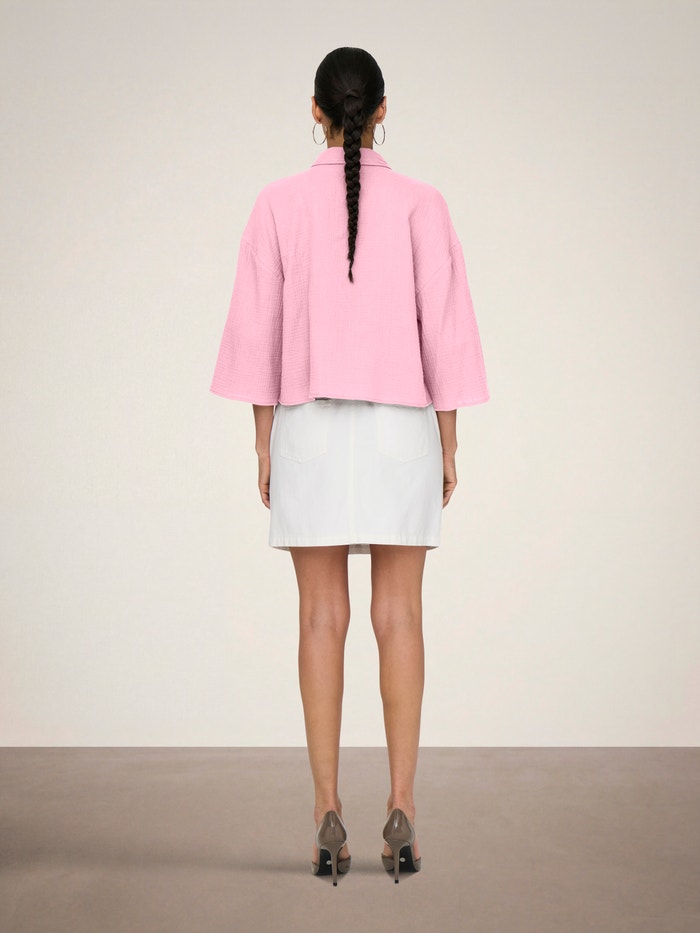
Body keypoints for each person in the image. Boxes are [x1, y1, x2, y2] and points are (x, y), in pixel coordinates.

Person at [210, 47, 489, 885]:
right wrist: (447, 441)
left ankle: (327, 812)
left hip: (309, 422)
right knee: (399, 614)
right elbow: (445, 328)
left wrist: (263, 440)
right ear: (383, 112)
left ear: (316, 111)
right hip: (402, 425)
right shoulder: (424, 203)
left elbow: (256, 332)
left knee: (318, 618)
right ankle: (401, 809)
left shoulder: (276, 203)